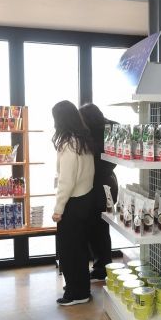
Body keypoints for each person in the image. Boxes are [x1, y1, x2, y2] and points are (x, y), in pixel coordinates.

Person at [51, 101, 95, 306]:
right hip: (85, 199)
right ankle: (81, 289)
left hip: (73, 203)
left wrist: (58, 209)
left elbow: (66, 181)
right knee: (79, 249)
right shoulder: (83, 141)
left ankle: (76, 293)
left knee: (69, 250)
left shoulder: (68, 144)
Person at [79, 103, 117, 281]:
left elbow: (96, 164)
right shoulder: (112, 129)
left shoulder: (93, 135)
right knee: (101, 227)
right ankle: (102, 265)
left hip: (98, 187)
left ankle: (101, 267)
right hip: (109, 184)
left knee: (97, 228)